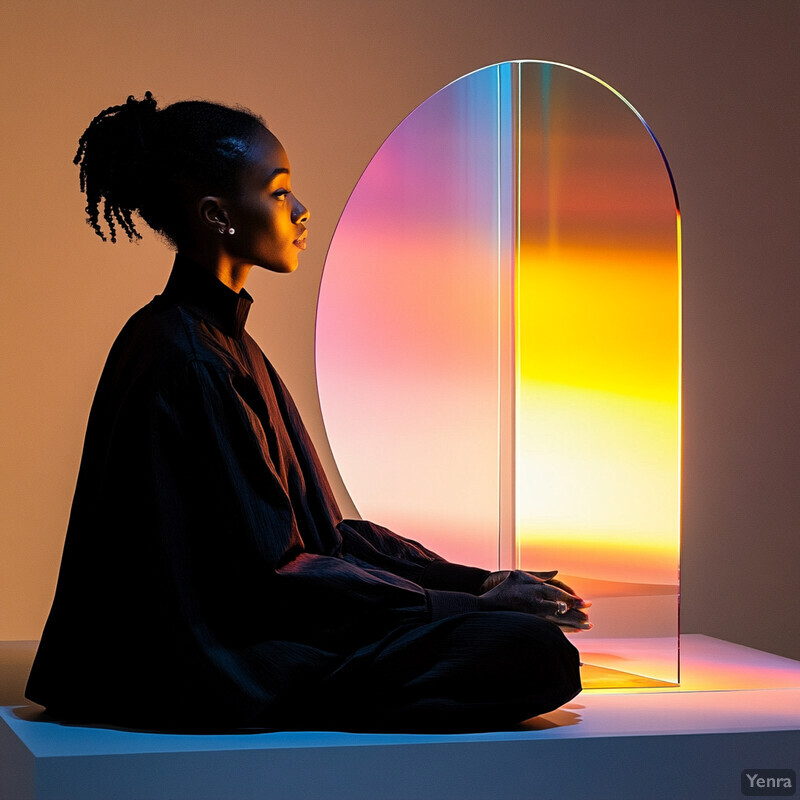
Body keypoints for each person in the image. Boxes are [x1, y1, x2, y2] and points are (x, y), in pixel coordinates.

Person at [26, 92, 590, 733]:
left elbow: (323, 537)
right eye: (278, 192)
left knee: (515, 638)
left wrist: (481, 584)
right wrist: (460, 606)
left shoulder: (219, 343)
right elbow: (275, 575)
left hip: (255, 631)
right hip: (217, 667)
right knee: (534, 655)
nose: (300, 211)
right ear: (218, 215)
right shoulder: (190, 357)